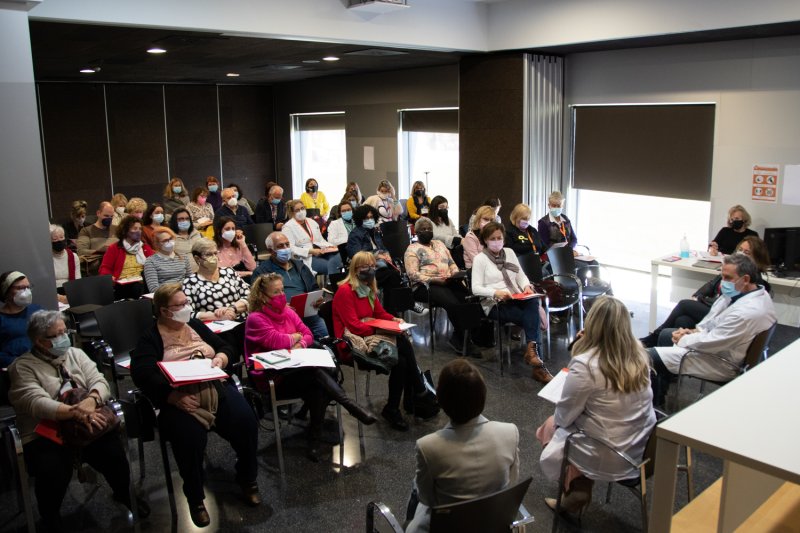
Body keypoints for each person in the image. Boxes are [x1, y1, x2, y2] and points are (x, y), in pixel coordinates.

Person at [131, 283, 260, 527]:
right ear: (163, 311)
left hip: (212, 387)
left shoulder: (195, 326)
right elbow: (143, 373)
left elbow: (226, 346)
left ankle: (247, 478)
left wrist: (222, 357)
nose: (185, 308)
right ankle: (195, 498)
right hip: (180, 397)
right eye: (179, 305)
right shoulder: (151, 337)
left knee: (245, 421)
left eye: (186, 303)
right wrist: (171, 396)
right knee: (189, 438)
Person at [9, 310, 145, 531]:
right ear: (40, 341)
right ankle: (50, 515)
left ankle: (122, 493)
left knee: (113, 453)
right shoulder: (22, 366)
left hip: (87, 420)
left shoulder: (75, 354)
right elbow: (36, 402)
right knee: (52, 469)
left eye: (65, 332)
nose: (64, 337)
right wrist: (75, 412)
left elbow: (99, 381)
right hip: (46, 429)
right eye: (57, 335)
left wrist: (91, 401)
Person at [537, 297, 656, 513]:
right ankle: (578, 484)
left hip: (608, 453)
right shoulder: (639, 354)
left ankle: (576, 488)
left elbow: (564, 417)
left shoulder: (586, 364)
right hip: (640, 448)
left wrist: (580, 351)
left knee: (550, 424)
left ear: (592, 324)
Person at [244, 273, 376, 460]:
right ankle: (348, 405)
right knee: (316, 374)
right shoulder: (256, 319)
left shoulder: (288, 312)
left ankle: (315, 440)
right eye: (276, 292)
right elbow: (276, 341)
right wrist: (295, 338)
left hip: (298, 371)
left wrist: (299, 342)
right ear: (262, 296)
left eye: (283, 290)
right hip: (274, 378)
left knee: (317, 386)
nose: (282, 294)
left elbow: (308, 334)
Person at [648, 253, 776, 407]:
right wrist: (691, 332)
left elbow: (711, 342)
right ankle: (659, 395)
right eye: (722, 276)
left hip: (720, 361)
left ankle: (652, 409)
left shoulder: (748, 312)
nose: (723, 283)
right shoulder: (748, 293)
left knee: (646, 358)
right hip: (719, 346)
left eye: (728, 278)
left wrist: (682, 338)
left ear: (746, 279)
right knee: (666, 334)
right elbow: (713, 322)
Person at [406, 359, 519, 533]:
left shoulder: (428, 447)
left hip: (446, 526)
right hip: (493, 522)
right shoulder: (510, 432)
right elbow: (511, 481)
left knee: (416, 488)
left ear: (441, 401)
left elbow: (427, 499)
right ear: (483, 395)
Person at [332, 251, 439, 431]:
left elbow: (379, 313)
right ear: (355, 269)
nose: (371, 269)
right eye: (366, 266)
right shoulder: (345, 291)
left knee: (402, 361)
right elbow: (355, 326)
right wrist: (383, 328)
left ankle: (393, 407)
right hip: (352, 343)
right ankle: (417, 390)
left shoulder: (367, 287)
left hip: (369, 334)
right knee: (402, 345)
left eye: (373, 266)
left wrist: (393, 320)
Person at [640, 236, 772, 348]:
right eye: (740, 250)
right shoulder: (732, 270)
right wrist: (698, 295)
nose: (741, 254)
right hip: (712, 311)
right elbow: (711, 285)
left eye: (747, 252)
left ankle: (652, 339)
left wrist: (701, 300)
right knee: (683, 320)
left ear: (757, 258)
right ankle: (669, 368)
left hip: (720, 318)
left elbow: (727, 304)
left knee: (684, 305)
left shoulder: (753, 282)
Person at [470, 222, 552, 383]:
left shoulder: (509, 252)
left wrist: (526, 286)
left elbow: (520, 275)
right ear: (485, 240)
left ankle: (532, 351)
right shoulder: (480, 259)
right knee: (532, 319)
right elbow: (475, 288)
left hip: (515, 297)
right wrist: (496, 292)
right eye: (492, 238)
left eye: (499, 238)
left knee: (533, 301)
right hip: (495, 303)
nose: (496, 241)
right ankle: (538, 366)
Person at [405, 217, 478, 355]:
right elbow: (413, 274)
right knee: (452, 303)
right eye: (423, 229)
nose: (427, 231)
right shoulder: (412, 249)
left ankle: (462, 336)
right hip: (425, 285)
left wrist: (455, 275)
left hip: (448, 281)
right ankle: (463, 341)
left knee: (468, 298)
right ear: (417, 232)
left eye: (429, 229)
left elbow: (451, 263)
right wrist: (435, 280)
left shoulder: (439, 244)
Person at [251, 232, 328, 340]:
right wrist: (278, 306)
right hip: (282, 318)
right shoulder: (262, 273)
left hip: (308, 315)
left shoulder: (300, 266)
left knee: (326, 339)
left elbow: (313, 287)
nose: (286, 248)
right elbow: (257, 301)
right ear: (270, 251)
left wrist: (317, 299)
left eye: (287, 244)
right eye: (280, 246)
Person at [346, 205, 407, 308]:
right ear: (360, 219)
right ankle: (402, 306)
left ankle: (392, 310)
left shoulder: (375, 232)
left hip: (380, 267)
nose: (369, 220)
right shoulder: (355, 235)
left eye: (371, 217)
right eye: (366, 218)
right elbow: (357, 257)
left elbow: (383, 248)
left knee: (395, 277)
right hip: (365, 270)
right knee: (394, 277)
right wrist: (375, 256)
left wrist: (386, 254)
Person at [183, 239, 250, 322]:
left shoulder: (229, 272)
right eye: (208, 254)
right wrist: (217, 316)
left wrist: (232, 308)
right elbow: (188, 313)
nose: (214, 257)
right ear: (197, 258)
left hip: (242, 320)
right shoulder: (190, 283)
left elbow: (249, 296)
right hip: (215, 328)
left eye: (215, 253)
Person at [99, 215, 154, 300]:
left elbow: (154, 264)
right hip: (121, 284)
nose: (138, 231)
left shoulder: (145, 247)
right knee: (135, 288)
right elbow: (105, 268)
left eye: (140, 229)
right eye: (135, 229)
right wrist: (109, 277)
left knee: (138, 286)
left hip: (141, 282)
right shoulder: (114, 248)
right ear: (125, 230)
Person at [281, 199, 341, 275]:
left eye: (302, 208)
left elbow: (320, 240)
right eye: (297, 210)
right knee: (331, 266)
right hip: (306, 257)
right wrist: (310, 251)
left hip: (322, 252)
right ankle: (335, 286)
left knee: (339, 260)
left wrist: (331, 246)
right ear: (292, 213)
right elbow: (290, 249)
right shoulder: (288, 227)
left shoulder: (312, 222)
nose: (301, 211)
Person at [0, 271, 43, 367]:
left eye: (28, 287)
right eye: (20, 288)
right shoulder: (2, 319)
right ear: (6, 291)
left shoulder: (38, 311)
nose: (26, 291)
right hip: (16, 368)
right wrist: (22, 362)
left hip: (42, 363)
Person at [144, 226, 193, 293]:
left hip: (185, 293)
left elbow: (190, 280)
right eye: (165, 240)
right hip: (165, 297)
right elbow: (153, 289)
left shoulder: (184, 257)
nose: (169, 242)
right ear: (157, 244)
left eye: (171, 238)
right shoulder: (150, 262)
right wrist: (176, 290)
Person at [76, 201, 117, 275]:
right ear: (98, 213)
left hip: (116, 267)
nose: (109, 218)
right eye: (106, 216)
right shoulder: (86, 231)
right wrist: (100, 251)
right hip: (96, 268)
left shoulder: (117, 229)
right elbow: (81, 251)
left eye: (111, 216)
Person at [50, 224, 81, 303]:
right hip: (53, 294)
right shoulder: (46, 259)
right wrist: (59, 298)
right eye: (55, 239)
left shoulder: (73, 256)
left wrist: (72, 296)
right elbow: (45, 285)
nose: (59, 241)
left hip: (71, 292)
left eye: (61, 237)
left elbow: (77, 281)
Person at [169, 207, 203, 272]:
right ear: (174, 221)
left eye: (187, 219)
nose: (184, 221)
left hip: (201, 272)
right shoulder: (170, 237)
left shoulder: (197, 234)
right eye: (181, 219)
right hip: (180, 273)